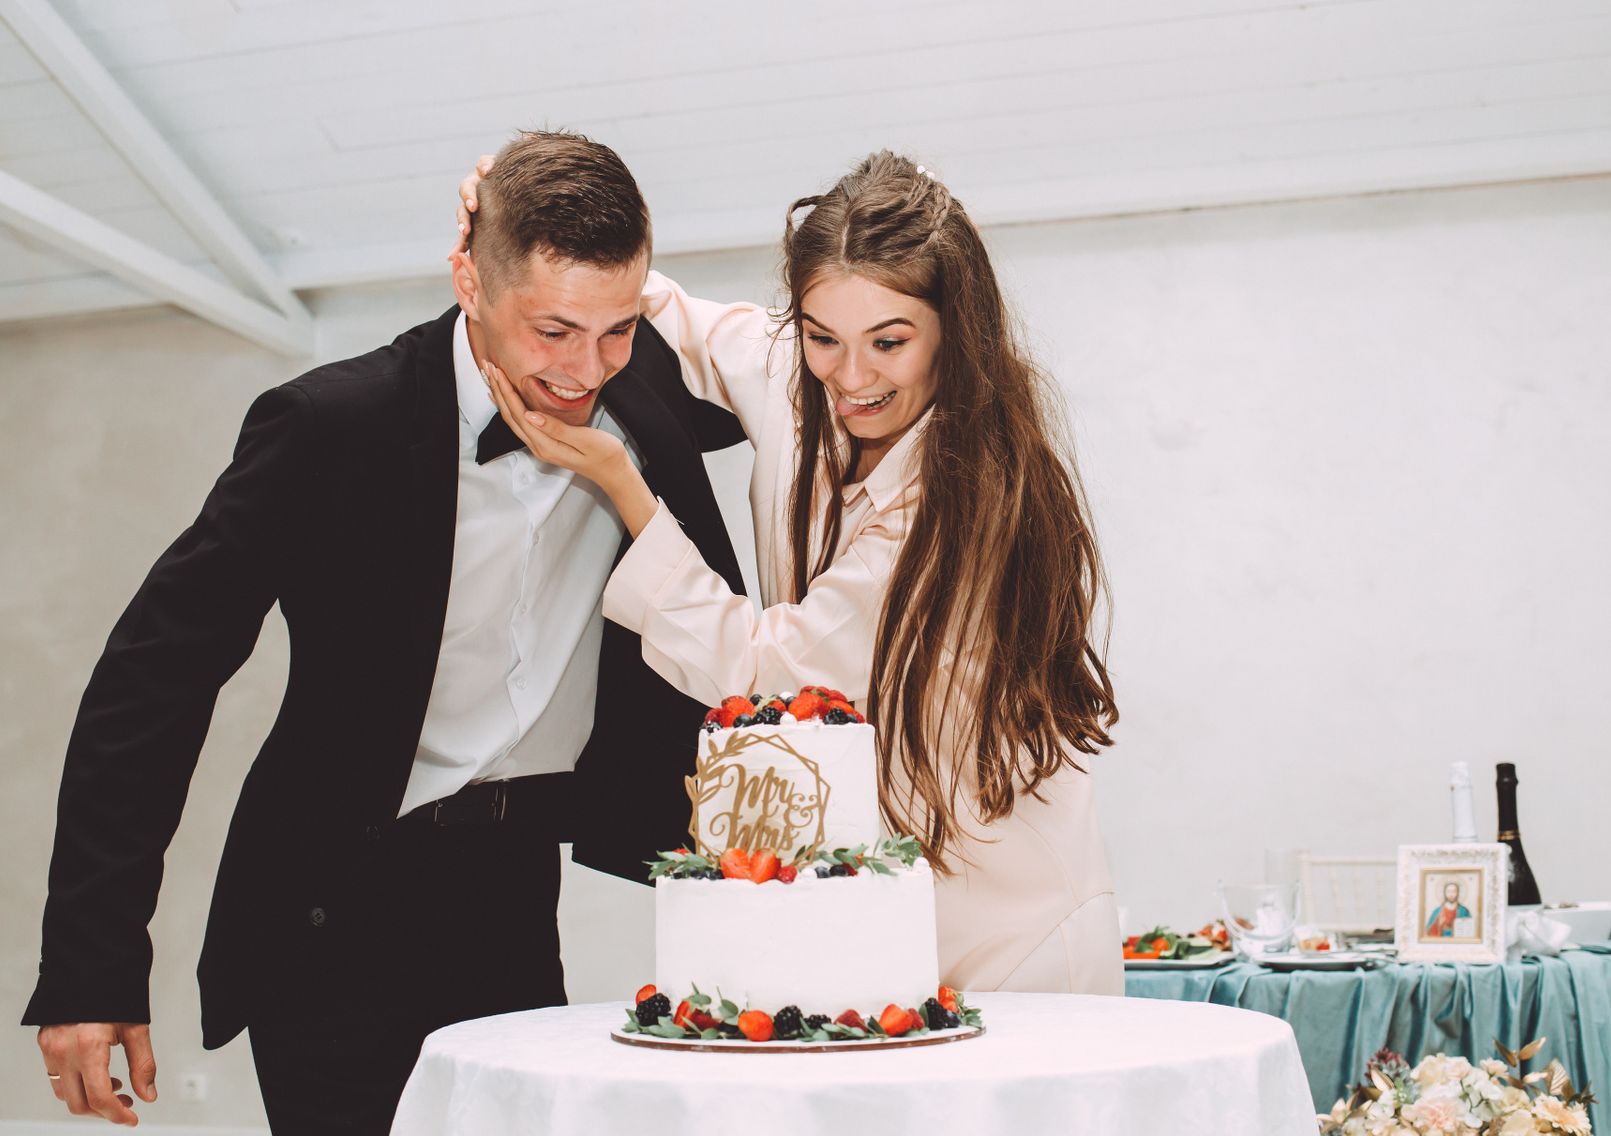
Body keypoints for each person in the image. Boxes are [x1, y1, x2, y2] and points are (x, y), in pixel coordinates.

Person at [24, 130, 746, 1136]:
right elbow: (151, 681)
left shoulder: (640, 391)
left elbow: (819, 359)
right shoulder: (329, 425)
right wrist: (91, 965)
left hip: (512, 889)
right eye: (552, 328)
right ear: (469, 281)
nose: (584, 368)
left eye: (616, 328)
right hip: (335, 908)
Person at [459, 151, 1123, 994]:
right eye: (822, 338)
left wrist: (625, 488)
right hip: (869, 912)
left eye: (890, 341)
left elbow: (768, 670)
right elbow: (640, 304)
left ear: (955, 330)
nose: (852, 376)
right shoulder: (790, 368)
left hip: (1012, 925)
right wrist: (509, 221)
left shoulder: (959, 497)